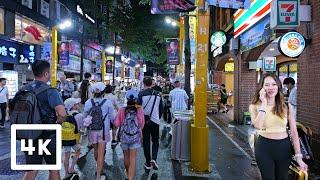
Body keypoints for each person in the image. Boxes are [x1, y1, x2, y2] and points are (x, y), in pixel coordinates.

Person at [249, 73, 308, 180]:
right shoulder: (255, 106)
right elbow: (257, 125)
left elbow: (294, 131)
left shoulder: (285, 105)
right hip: (264, 148)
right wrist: (264, 104)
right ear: (261, 88)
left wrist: (299, 156)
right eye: (267, 85)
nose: (270, 88)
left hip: (284, 148)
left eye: (274, 84)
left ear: (278, 87)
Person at [17, 60, 67, 180]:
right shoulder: (50, 91)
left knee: (31, 170)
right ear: (45, 74)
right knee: (54, 169)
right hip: (47, 135)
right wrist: (57, 123)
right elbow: (62, 113)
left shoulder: (23, 90)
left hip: (28, 134)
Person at [84, 82, 115, 180]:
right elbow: (113, 118)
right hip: (104, 131)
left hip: (92, 130)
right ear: (103, 92)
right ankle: (98, 175)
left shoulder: (88, 102)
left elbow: (85, 116)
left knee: (96, 151)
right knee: (101, 153)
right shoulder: (108, 103)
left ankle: (99, 167)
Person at [114, 91, 145, 180]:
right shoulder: (139, 109)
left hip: (124, 137)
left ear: (127, 99)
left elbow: (117, 123)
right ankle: (130, 178)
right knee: (133, 158)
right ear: (136, 99)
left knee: (126, 157)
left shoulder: (122, 110)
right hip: (135, 137)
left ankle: (128, 173)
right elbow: (141, 124)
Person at [138, 76, 163, 171]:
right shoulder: (158, 94)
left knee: (146, 141)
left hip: (144, 121)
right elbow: (161, 108)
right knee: (155, 141)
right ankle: (154, 159)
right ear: (151, 83)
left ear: (144, 83)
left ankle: (148, 163)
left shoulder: (141, 94)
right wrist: (157, 117)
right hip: (155, 121)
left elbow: (138, 107)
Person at [62, 98, 85, 180]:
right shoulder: (79, 115)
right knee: (78, 151)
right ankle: (72, 168)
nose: (77, 105)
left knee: (66, 155)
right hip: (75, 139)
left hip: (65, 138)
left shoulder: (64, 115)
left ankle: (66, 173)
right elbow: (82, 128)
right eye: (76, 104)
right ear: (73, 106)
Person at [104, 84, 120, 149]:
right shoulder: (113, 97)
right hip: (113, 114)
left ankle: (104, 141)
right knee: (114, 128)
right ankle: (113, 140)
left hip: (105, 115)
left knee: (105, 128)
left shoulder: (103, 96)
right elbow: (117, 106)